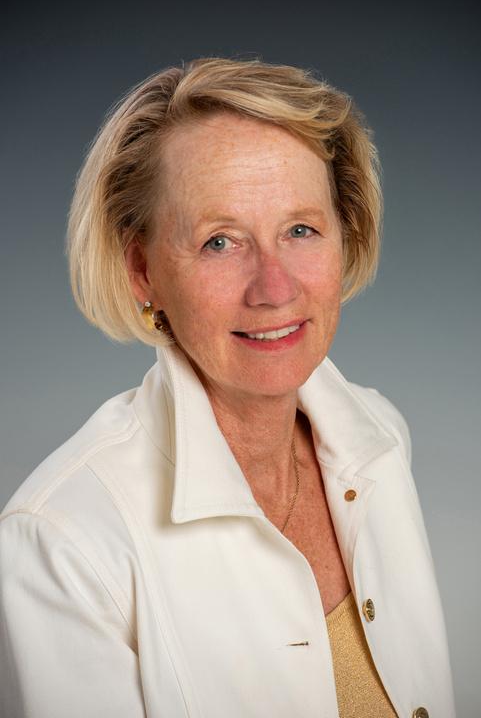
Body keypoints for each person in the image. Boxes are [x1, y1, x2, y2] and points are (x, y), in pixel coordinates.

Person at [0, 57, 456, 718]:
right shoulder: (64, 542)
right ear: (142, 270)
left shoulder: (380, 437)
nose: (273, 288)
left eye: (300, 230)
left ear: (345, 235)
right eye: (220, 242)